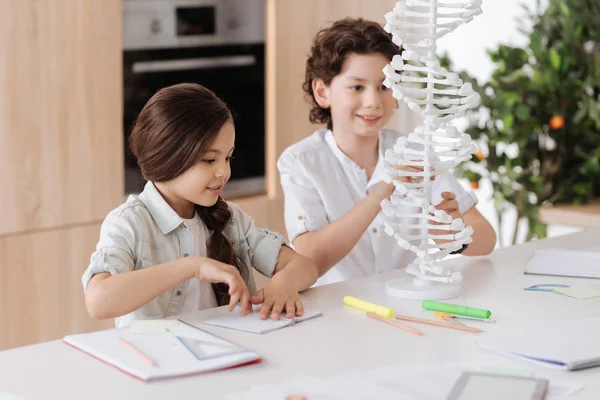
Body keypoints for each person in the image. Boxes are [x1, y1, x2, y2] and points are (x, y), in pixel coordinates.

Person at [277, 18, 496, 286]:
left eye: (384, 86)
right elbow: (309, 258)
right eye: (357, 87)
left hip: (405, 304)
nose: (373, 102)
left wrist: (456, 234)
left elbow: (487, 238)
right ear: (322, 91)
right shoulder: (301, 162)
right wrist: (383, 192)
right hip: (335, 312)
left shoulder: (414, 151)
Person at [82, 83, 318, 327]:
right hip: (160, 361)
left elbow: (304, 266)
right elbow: (98, 301)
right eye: (208, 160)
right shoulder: (129, 223)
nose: (223, 172)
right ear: (168, 155)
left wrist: (283, 284)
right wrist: (192, 266)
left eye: (228, 157)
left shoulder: (231, 219)